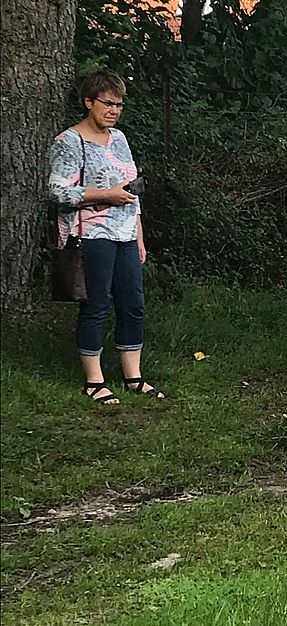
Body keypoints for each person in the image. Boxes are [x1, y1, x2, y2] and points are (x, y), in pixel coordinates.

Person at [48, 69, 164, 404]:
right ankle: (94, 380)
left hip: (125, 233)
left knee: (133, 304)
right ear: (89, 102)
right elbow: (57, 191)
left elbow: (131, 189)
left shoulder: (120, 139)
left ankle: (133, 376)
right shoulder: (69, 142)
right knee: (96, 305)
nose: (114, 110)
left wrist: (139, 235)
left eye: (119, 105)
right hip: (91, 234)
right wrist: (104, 195)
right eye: (107, 103)